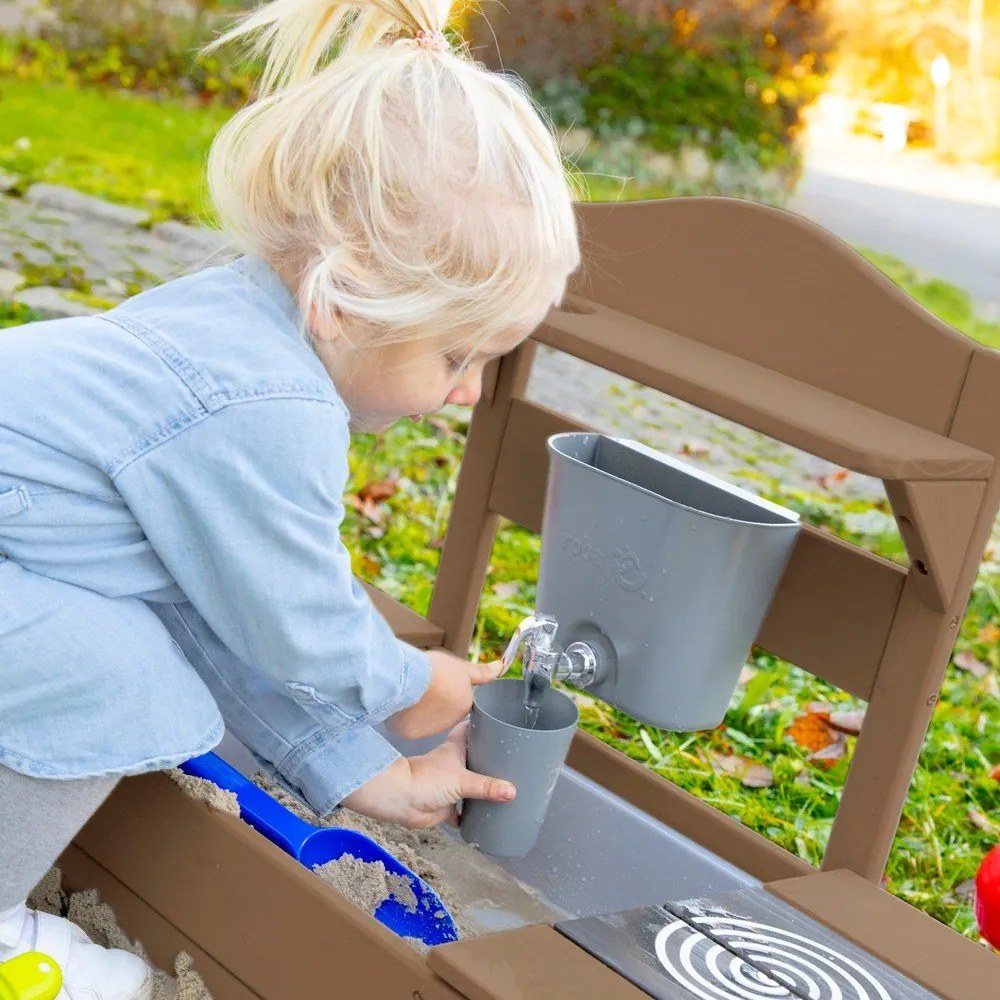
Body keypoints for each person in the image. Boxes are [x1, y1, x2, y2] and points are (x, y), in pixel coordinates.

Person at [0, 0, 581, 994]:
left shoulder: (231, 325)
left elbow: (218, 619)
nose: (468, 392)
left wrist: (367, 771)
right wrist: (410, 682)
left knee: (132, 642)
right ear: (345, 297)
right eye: (456, 353)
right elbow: (298, 630)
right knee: (120, 670)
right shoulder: (268, 407)